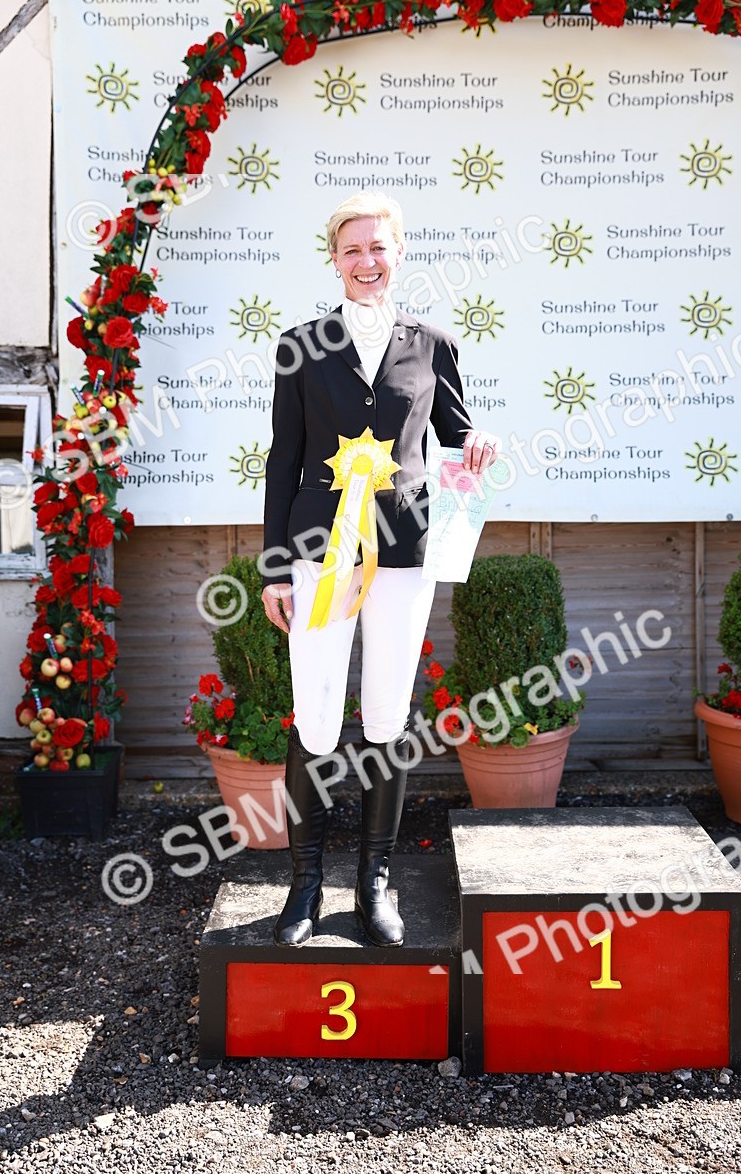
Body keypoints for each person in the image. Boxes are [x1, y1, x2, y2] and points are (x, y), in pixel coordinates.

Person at [260, 190, 499, 948]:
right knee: (319, 714)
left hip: (401, 549)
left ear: (398, 253)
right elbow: (283, 460)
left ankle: (374, 885)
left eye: (378, 247)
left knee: (389, 713)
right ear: (334, 259)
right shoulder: (299, 346)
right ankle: (303, 890)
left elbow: (457, 433)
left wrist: (482, 442)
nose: (367, 261)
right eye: (352, 249)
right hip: (317, 551)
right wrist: (273, 569)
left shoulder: (434, 343)